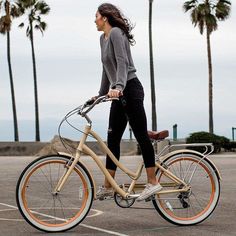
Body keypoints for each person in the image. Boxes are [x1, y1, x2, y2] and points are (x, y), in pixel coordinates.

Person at [94, 3, 162, 201]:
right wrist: (100, 94)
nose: (95, 20)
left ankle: (153, 182)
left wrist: (120, 87)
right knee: (112, 140)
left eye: (96, 16)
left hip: (130, 88)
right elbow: (107, 67)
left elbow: (122, 62)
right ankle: (108, 186)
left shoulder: (115, 33)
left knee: (141, 135)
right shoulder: (102, 38)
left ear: (105, 17)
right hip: (119, 91)